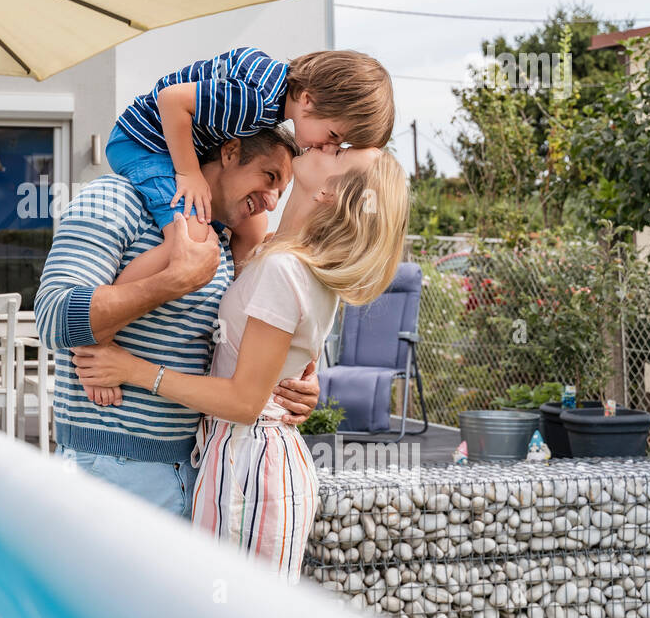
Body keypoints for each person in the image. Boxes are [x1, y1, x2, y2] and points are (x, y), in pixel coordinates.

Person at [71, 146, 409, 580]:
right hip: (240, 453)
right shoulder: (279, 256)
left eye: (340, 154)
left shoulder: (285, 268)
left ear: (330, 192)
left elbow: (245, 401)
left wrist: (133, 369)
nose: (327, 145)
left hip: (251, 462)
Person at [32, 125, 321, 519]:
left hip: (200, 466)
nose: (270, 201)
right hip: (112, 470)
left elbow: (235, 343)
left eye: (280, 192)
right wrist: (173, 281)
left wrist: (291, 382)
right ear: (230, 152)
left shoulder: (223, 238)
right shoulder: (112, 199)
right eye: (269, 178)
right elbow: (52, 319)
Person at [81, 47, 394, 405]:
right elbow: (172, 101)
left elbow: (252, 321)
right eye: (335, 138)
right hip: (145, 144)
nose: (326, 145)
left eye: (338, 146)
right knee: (192, 239)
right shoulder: (256, 102)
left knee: (240, 231)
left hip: (194, 440)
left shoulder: (274, 251)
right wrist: (189, 173)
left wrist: (286, 370)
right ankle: (98, 338)